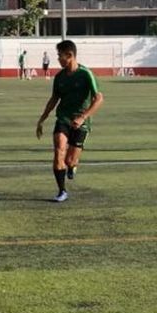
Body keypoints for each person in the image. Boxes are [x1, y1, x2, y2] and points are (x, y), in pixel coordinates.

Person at [35, 40, 104, 203]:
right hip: (63, 119)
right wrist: (42, 119)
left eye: (60, 56)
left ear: (70, 55)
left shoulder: (86, 74)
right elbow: (54, 99)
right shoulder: (59, 77)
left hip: (81, 122)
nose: (58, 59)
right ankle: (62, 191)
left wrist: (82, 117)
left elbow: (99, 98)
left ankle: (72, 166)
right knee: (59, 148)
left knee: (70, 160)